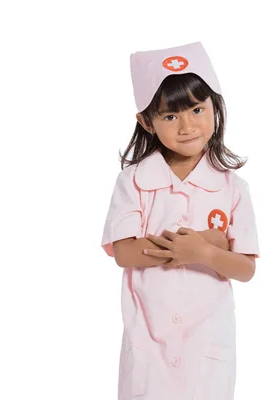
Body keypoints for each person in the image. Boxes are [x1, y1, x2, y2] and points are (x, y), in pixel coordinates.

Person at [101, 41, 260, 400]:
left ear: (215, 107)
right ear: (147, 122)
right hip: (148, 343)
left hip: (207, 345)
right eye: (170, 116)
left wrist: (203, 252)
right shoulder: (133, 181)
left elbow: (246, 268)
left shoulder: (233, 187)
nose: (187, 125)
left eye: (197, 109)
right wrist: (211, 241)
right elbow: (125, 252)